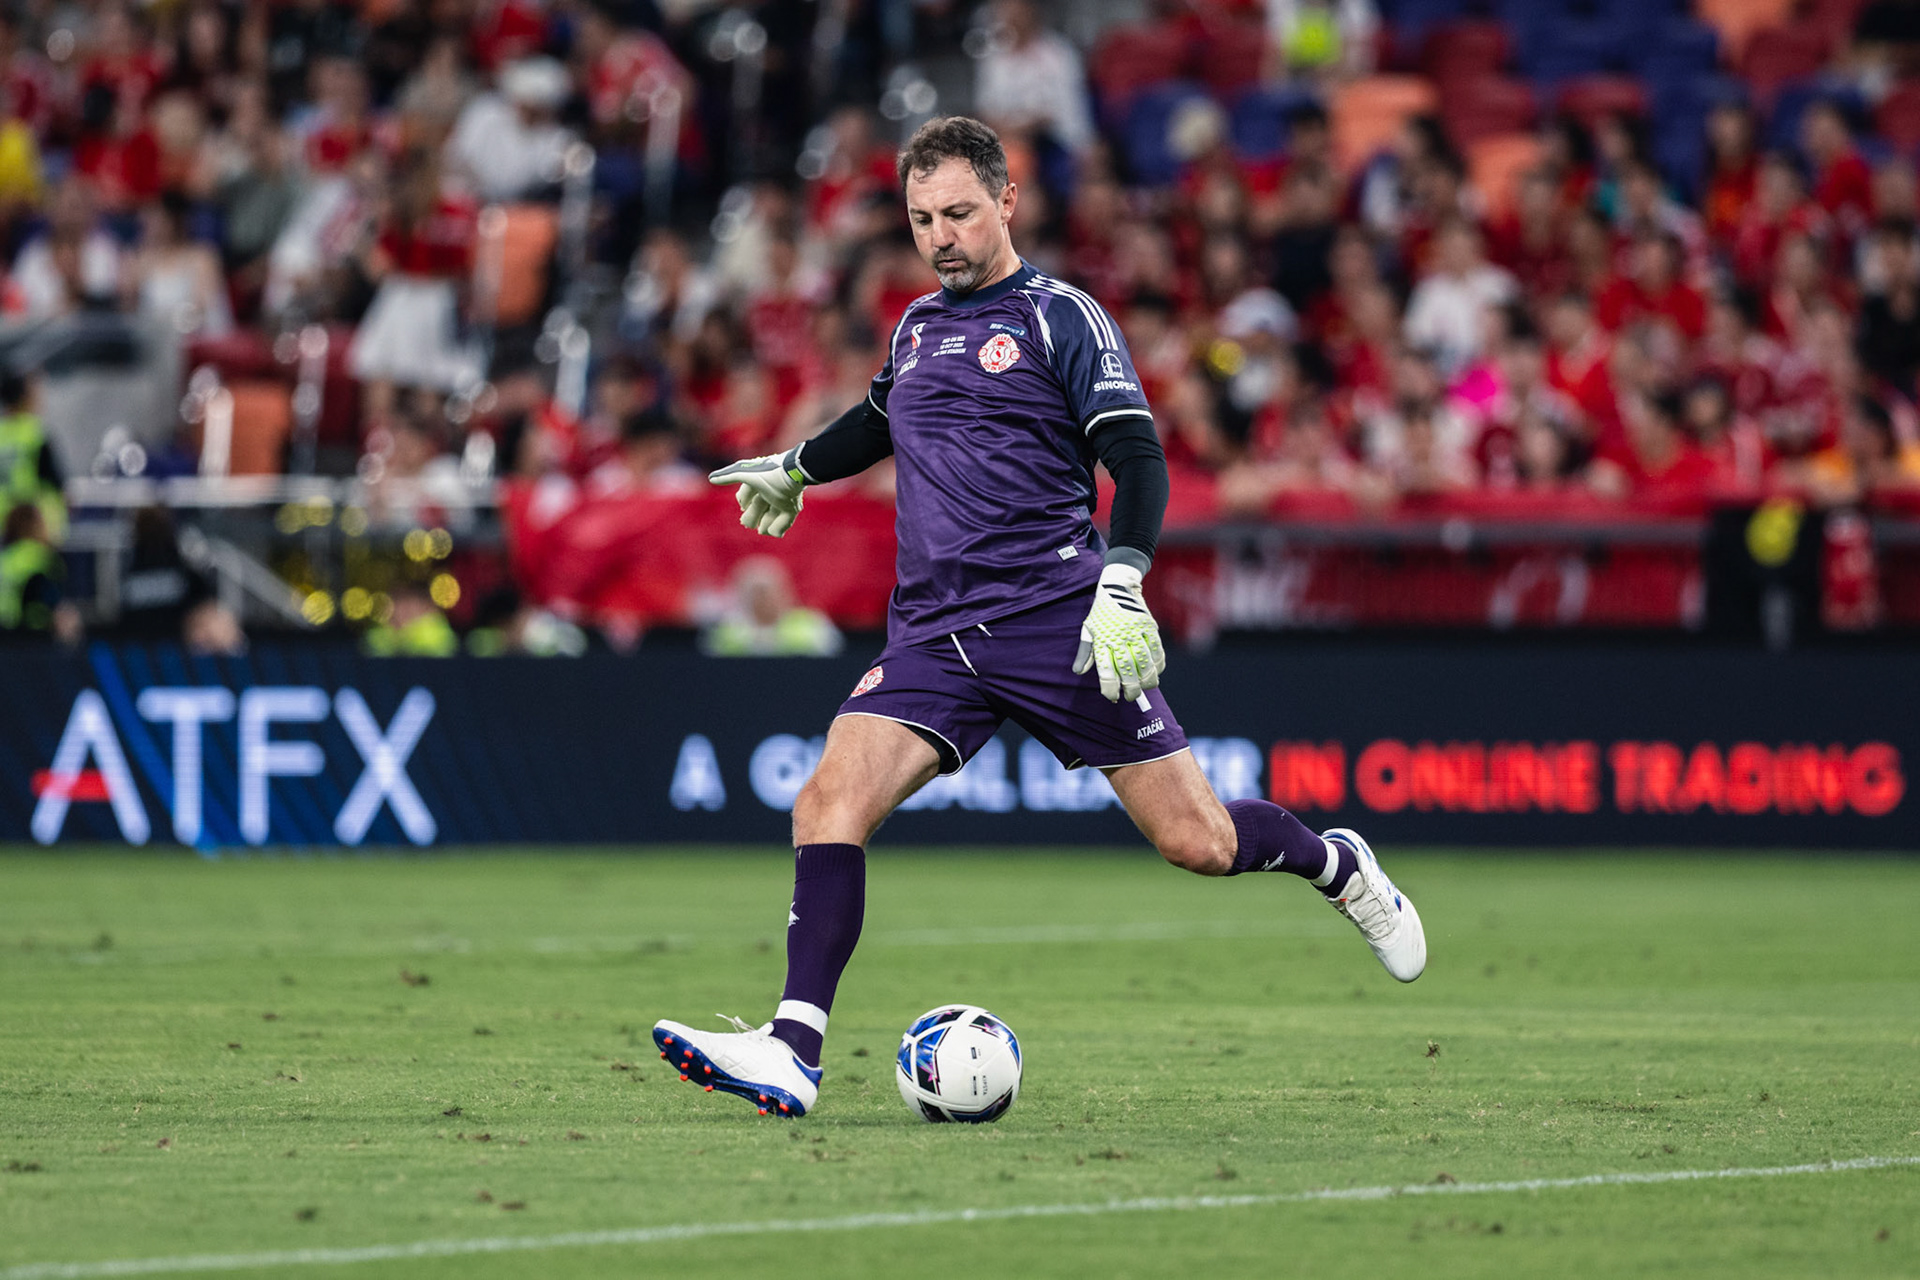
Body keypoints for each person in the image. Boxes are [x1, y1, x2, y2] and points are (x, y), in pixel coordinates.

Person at [652, 117, 1426, 1120]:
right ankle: (792, 1048)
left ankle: (1339, 865)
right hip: (934, 632)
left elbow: (1137, 459)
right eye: (922, 219)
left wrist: (1125, 578)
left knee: (1196, 841)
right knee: (826, 804)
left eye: (960, 213)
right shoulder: (917, 326)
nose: (941, 237)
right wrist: (798, 467)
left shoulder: (1063, 317)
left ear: (1007, 202)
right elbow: (883, 416)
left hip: (1056, 619)